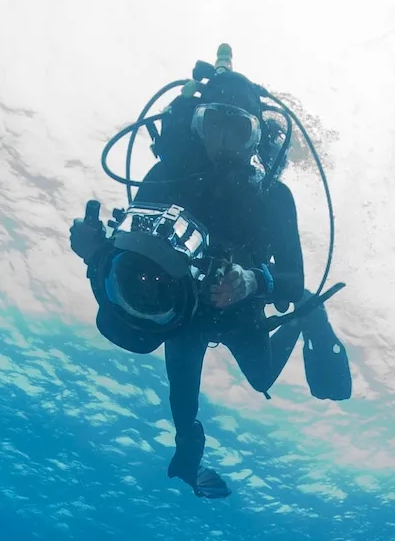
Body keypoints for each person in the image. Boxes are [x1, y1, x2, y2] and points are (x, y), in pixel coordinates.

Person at [70, 48, 348, 499]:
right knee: (181, 401)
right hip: (180, 304)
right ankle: (189, 459)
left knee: (260, 377)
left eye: (236, 128)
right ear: (195, 123)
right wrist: (95, 249)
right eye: (211, 123)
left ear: (256, 138)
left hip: (240, 307)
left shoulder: (274, 197)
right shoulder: (166, 173)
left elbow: (293, 281)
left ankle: (308, 320)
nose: (221, 140)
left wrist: (253, 282)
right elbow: (135, 247)